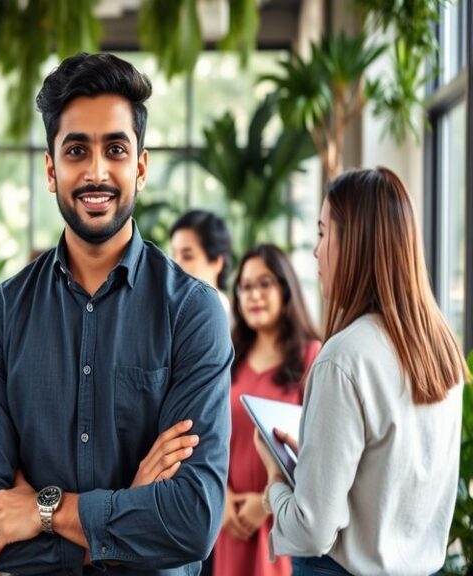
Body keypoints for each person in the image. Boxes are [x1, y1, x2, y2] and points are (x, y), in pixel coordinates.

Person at [0, 52, 233, 575]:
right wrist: (129, 508)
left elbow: (192, 520)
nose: (97, 172)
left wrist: (42, 511)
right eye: (77, 150)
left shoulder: (192, 313)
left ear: (141, 167)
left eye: (116, 149)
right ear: (51, 168)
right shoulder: (4, 313)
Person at [254, 167, 466, 576]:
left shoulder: (344, 357)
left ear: (352, 243)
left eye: (321, 233)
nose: (316, 252)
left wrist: (274, 483)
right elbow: (391, 478)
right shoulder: (441, 348)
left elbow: (312, 532)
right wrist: (318, 461)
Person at [214, 244, 320, 576]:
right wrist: (222, 499)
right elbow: (206, 435)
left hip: (280, 520)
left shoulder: (311, 357)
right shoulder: (226, 357)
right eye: (245, 286)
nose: (254, 295)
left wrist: (267, 502)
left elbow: (319, 449)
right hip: (228, 520)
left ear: (286, 290)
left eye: (264, 283)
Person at [170, 209, 233, 317]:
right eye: (174, 255)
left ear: (217, 262)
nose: (175, 264)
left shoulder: (228, 320)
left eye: (187, 256)